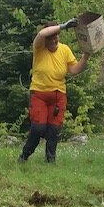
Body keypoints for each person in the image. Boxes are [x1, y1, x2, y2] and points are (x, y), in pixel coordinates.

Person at [19, 21, 88, 163]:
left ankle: (50, 160)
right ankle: (25, 155)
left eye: (55, 37)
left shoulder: (64, 49)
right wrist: (64, 25)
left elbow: (74, 70)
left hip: (58, 95)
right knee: (38, 128)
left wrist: (86, 57)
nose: (53, 40)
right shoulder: (39, 47)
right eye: (50, 38)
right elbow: (41, 34)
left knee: (54, 129)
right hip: (39, 94)